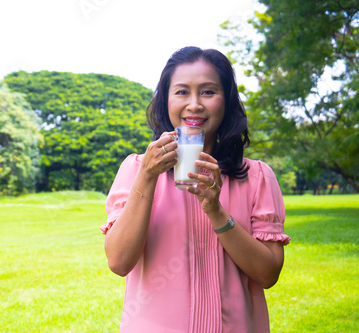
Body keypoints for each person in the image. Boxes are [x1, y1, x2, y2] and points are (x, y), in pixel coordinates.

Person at [100, 46, 290, 333]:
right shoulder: (136, 169)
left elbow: (268, 274)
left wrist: (216, 211)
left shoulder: (256, 177)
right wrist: (147, 176)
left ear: (226, 101)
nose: (194, 104)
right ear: (165, 101)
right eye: (181, 92)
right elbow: (119, 262)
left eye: (208, 92)